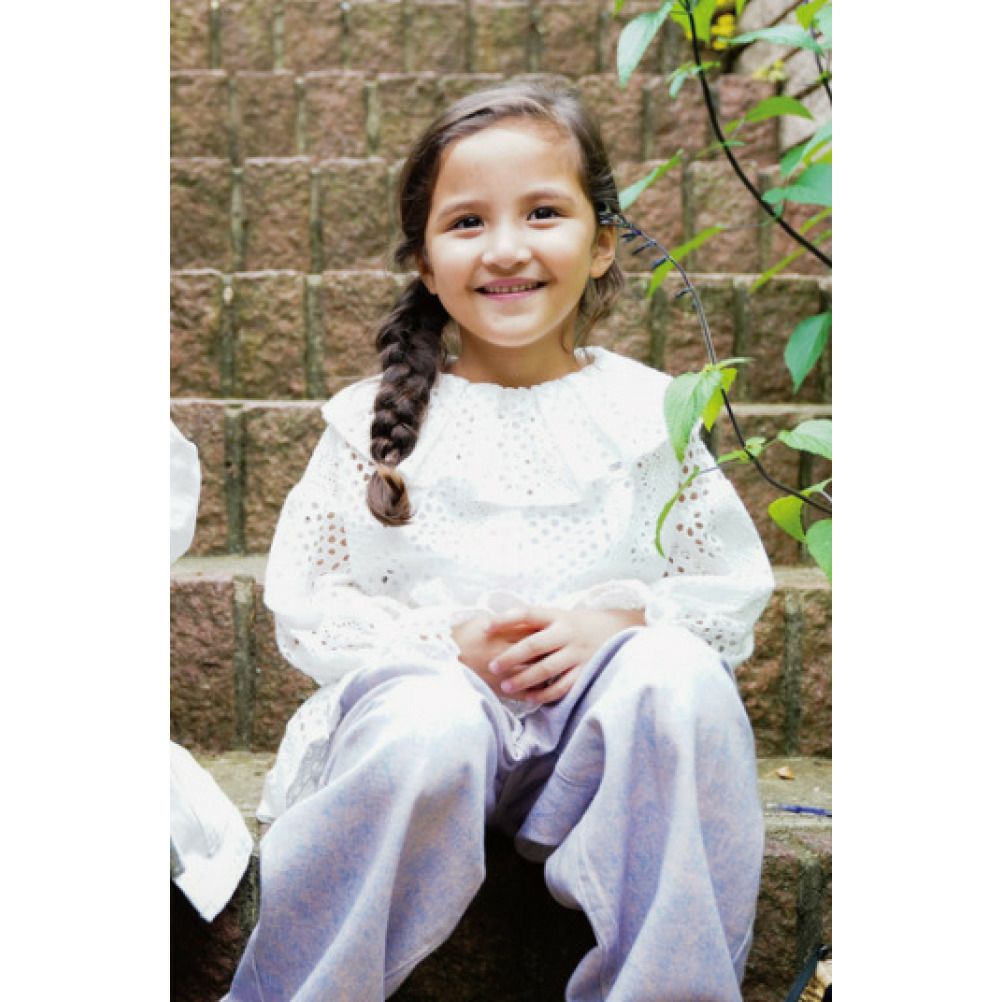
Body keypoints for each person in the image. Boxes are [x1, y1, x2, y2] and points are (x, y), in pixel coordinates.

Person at [224, 80, 774, 1002]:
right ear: (425, 260)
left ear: (603, 243)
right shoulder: (369, 423)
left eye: (544, 212)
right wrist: (442, 645)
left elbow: (727, 588)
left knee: (678, 677)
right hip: (430, 740)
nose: (508, 247)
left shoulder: (650, 413)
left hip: (600, 752)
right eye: (468, 222)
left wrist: (621, 624)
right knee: (425, 720)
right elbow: (310, 605)